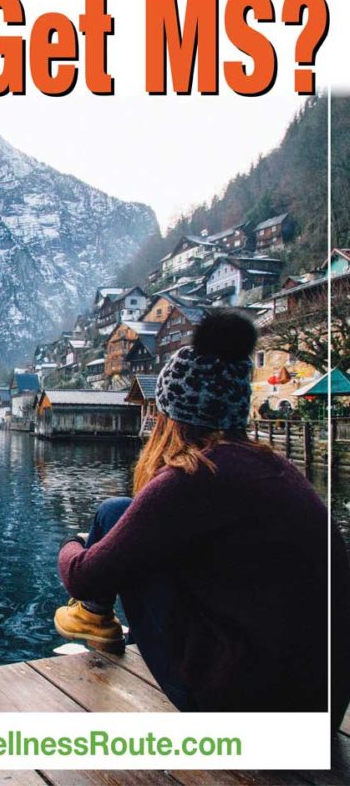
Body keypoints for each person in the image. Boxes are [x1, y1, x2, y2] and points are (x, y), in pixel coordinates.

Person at [55, 310, 350, 723]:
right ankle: (94, 615)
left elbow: (83, 574)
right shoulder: (274, 469)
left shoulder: (194, 476)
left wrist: (73, 543)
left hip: (250, 715)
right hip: (322, 706)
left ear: (171, 415)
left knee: (122, 544)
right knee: (119, 513)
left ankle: (92, 616)